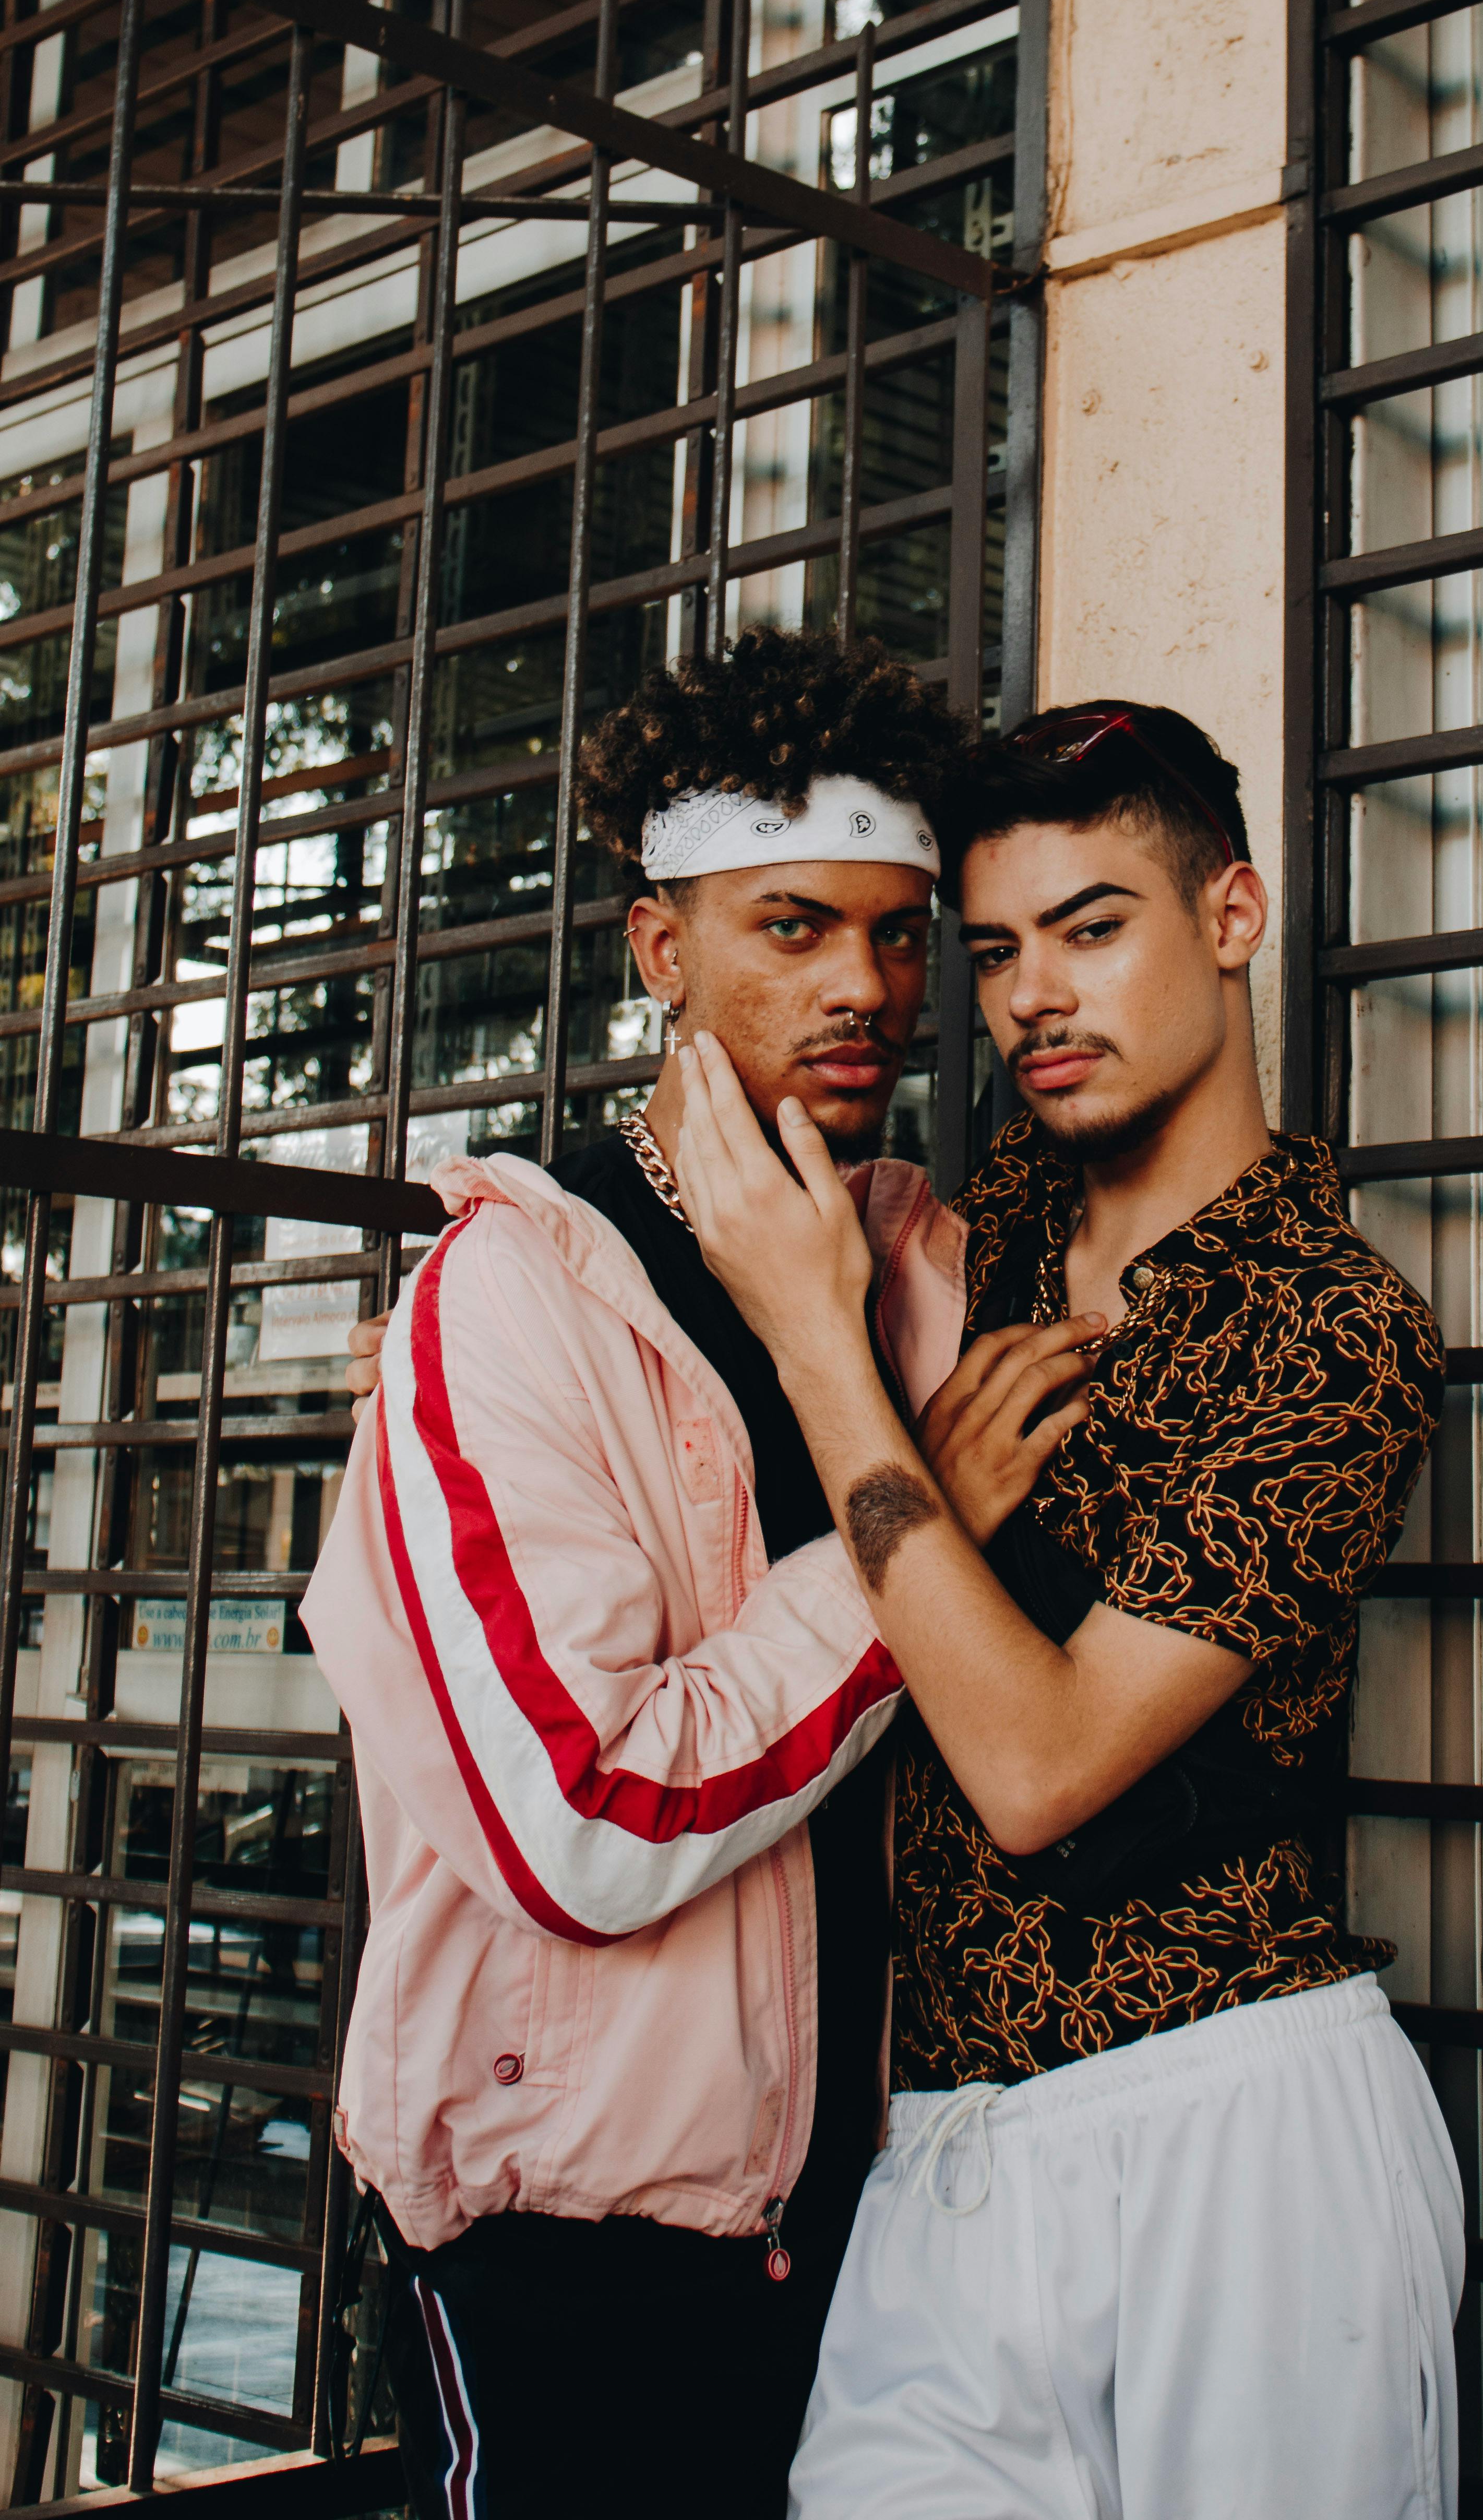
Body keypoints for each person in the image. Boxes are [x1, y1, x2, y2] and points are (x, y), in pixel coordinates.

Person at [304, 629, 1088, 2520]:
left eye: (904, 937)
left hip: (874, 2206)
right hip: (575, 2231)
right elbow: (584, 1810)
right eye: (794, 929)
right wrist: (919, 1534)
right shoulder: (506, 1305)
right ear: (663, 951)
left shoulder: (921, 1266)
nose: (868, 990)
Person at [669, 698, 1462, 2520]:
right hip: (938, 2140)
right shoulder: (981, 1228)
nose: (1033, 998)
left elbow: (1038, 1768)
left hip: (1239, 2137)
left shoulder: (1337, 1335)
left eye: (1096, 928)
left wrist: (820, 1351)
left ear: (1233, 920)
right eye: (1001, 948)